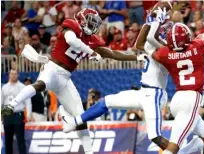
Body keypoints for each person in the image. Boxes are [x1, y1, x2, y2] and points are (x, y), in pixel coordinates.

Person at [2, 8, 146, 154]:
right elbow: (72, 40)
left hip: (65, 78)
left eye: (94, 23)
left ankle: (89, 151)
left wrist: (135, 57)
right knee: (41, 85)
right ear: (82, 19)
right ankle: (12, 104)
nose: (93, 25)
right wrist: (91, 52)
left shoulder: (93, 40)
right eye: (90, 21)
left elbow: (112, 53)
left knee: (80, 116)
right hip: (52, 68)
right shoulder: (72, 27)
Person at [58, 3, 183, 151]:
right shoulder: (159, 46)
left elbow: (147, 39)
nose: (163, 32)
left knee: (154, 136)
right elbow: (141, 43)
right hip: (145, 93)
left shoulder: (167, 51)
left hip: (155, 95)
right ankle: (74, 122)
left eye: (166, 32)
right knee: (107, 102)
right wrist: (153, 20)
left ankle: (181, 151)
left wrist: (154, 20)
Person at [151, 23, 204, 154]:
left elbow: (154, 54)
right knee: (173, 147)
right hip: (191, 99)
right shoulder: (198, 46)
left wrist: (165, 42)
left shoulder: (165, 53)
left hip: (177, 99)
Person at [1, 69, 32, 154]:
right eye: (12, 74)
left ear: (18, 75)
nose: (13, 75)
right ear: (9, 75)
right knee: (8, 140)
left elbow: (28, 102)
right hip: (7, 116)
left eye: (15, 74)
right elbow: (1, 102)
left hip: (18, 115)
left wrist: (29, 115)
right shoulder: (4, 87)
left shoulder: (22, 87)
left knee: (20, 140)